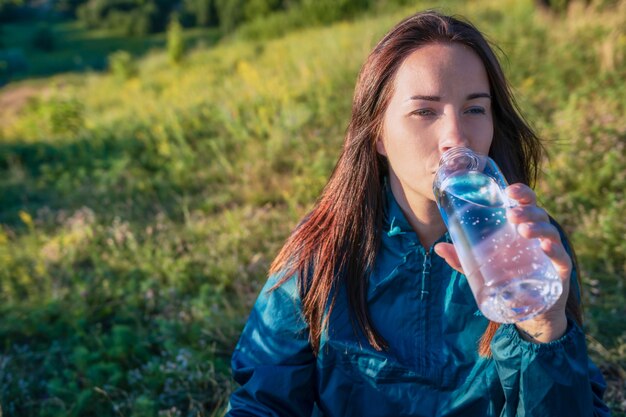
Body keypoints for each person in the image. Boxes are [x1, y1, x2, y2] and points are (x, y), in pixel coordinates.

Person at [225, 10, 611, 417]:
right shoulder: (320, 251)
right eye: (425, 112)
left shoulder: (528, 249)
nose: (456, 138)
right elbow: (262, 404)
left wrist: (545, 331)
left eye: (475, 109)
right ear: (377, 133)